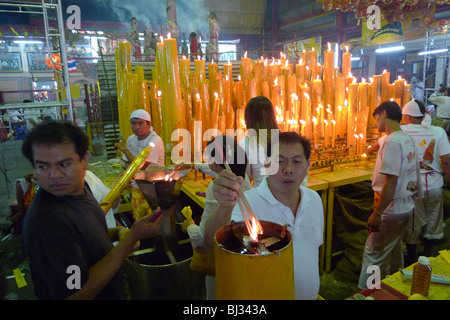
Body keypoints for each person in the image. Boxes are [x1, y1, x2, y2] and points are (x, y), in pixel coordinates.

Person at [22, 121, 162, 300]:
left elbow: (83, 235)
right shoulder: (47, 223)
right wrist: (131, 239)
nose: (54, 175)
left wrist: (117, 232)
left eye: (64, 164)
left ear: (85, 160)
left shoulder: (80, 187)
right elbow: (75, 293)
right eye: (43, 166)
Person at [203, 131, 324, 300]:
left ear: (307, 166)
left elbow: (311, 252)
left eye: (296, 161)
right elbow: (210, 246)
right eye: (279, 161)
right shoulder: (247, 205)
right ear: (267, 165)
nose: (288, 169)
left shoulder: (314, 200)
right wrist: (224, 207)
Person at [358, 101, 422, 290]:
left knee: (374, 252)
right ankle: (394, 285)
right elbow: (382, 142)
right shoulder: (404, 137)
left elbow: (391, 181)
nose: (376, 123)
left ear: (384, 114)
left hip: (390, 208)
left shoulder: (393, 142)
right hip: (405, 206)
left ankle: (368, 291)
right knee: (393, 247)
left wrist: (377, 213)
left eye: (376, 118)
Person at [182, 135, 251, 300]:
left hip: (221, 260)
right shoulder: (240, 177)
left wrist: (189, 225)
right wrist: (192, 165)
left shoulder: (217, 188)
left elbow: (202, 239)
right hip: (242, 255)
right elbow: (215, 168)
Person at [401, 99, 450, 263]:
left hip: (412, 186)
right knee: (434, 219)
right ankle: (427, 255)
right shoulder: (438, 132)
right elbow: (446, 161)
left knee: (414, 221)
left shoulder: (402, 131)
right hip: (435, 184)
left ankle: (413, 258)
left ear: (408, 117)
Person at [240, 96, 281, 187]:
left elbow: (244, 180)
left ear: (248, 119)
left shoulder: (246, 143)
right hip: (284, 196)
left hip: (260, 197)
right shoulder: (284, 140)